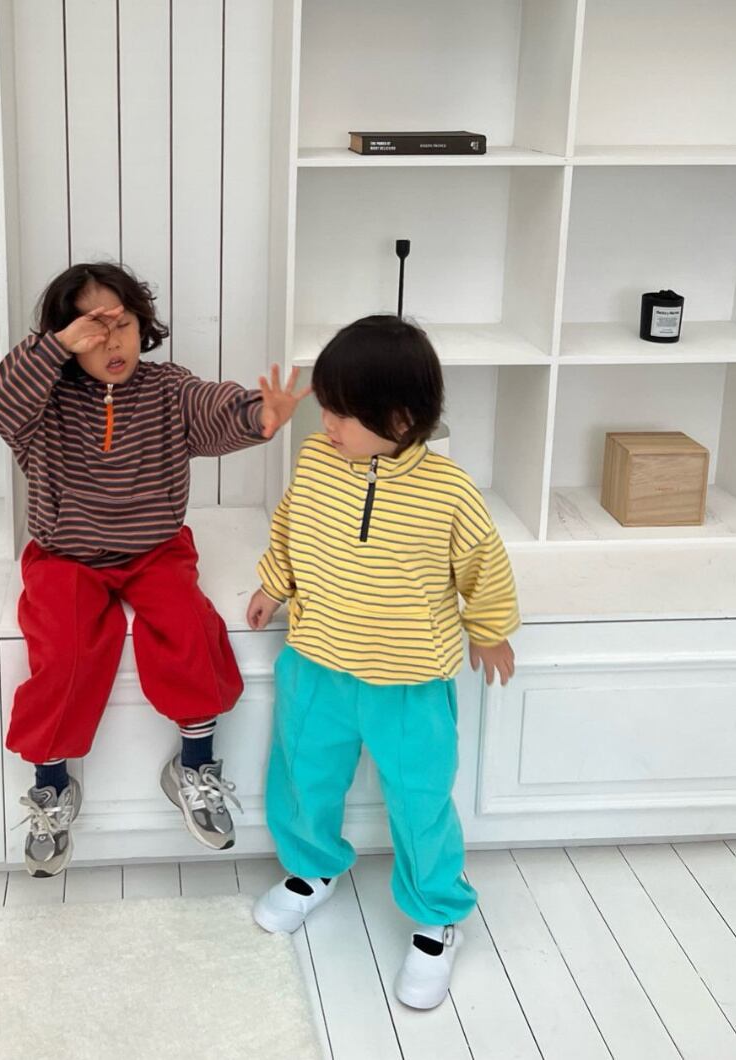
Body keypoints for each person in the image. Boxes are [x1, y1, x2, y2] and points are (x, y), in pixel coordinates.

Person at [0, 261, 308, 876]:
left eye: (123, 326)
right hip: (66, 557)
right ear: (64, 339)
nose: (112, 343)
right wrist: (55, 348)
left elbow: (212, 407)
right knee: (64, 652)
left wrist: (257, 416)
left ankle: (194, 764)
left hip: (155, 550)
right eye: (92, 330)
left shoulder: (166, 389)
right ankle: (52, 784)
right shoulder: (40, 402)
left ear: (143, 327)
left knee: (191, 630)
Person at [246, 314, 519, 1009]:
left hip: (410, 681)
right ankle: (312, 867)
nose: (327, 425)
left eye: (343, 415)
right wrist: (274, 584)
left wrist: (490, 632)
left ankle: (437, 914)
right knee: (303, 774)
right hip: (318, 660)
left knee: (420, 800)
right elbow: (292, 526)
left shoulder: (450, 493)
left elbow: (484, 567)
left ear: (398, 420)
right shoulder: (317, 461)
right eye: (327, 409)